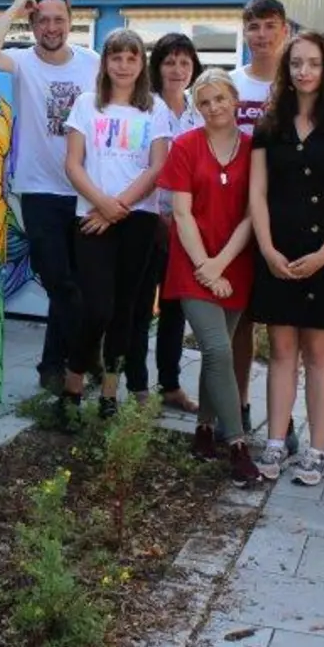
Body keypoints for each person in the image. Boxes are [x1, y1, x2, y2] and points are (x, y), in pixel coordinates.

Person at [246, 31, 324, 484]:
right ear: (286, 68)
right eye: (296, 63)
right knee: (280, 350)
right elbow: (256, 192)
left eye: (313, 63)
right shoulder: (269, 121)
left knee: (318, 352)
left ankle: (317, 450)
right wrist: (267, 248)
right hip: (277, 250)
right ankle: (276, 443)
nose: (304, 71)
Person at [0, 0, 101, 396]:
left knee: (84, 286)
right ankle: (60, 363)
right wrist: (13, 7)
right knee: (59, 281)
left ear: (70, 21)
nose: (51, 27)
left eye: (58, 19)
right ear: (32, 24)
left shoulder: (92, 63)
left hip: (86, 192)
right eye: (42, 19)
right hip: (39, 190)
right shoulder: (23, 63)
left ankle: (70, 363)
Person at [56, 28, 173, 425]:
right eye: (116, 57)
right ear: (105, 62)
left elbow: (158, 166)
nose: (123, 65)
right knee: (96, 308)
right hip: (91, 220)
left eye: (132, 58)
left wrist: (119, 206)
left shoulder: (155, 108)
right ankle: (71, 385)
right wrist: (103, 205)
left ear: (142, 64)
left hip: (137, 220)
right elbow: (72, 164)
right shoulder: (87, 105)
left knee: (125, 310)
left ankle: (109, 391)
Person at [158, 68, 262, 485]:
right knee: (218, 350)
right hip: (191, 264)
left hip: (235, 264)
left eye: (220, 98)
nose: (214, 107)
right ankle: (237, 446)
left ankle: (203, 431)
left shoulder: (255, 151)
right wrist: (205, 267)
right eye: (204, 102)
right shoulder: (185, 146)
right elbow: (180, 213)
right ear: (196, 108)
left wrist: (220, 265)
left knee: (218, 352)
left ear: (236, 100)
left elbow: (254, 215)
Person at [228, 0, 299, 457]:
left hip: (286, 217)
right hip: (233, 215)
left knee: (281, 330)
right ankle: (237, 408)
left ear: (285, 30)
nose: (262, 34)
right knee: (238, 324)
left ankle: (283, 417)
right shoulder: (230, 85)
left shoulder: (299, 86)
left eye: (270, 25)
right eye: (253, 26)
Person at [127, 33, 206, 413]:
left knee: (175, 307)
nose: (177, 70)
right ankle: (137, 385)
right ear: (156, 67)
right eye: (170, 62)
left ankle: (170, 385)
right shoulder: (143, 108)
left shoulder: (200, 112)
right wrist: (155, 214)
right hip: (145, 219)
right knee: (140, 305)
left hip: (186, 225)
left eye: (185, 63)